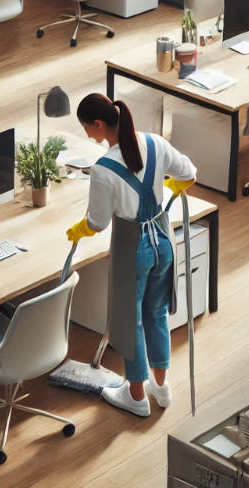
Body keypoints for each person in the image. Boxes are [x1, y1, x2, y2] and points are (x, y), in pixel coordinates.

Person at [66, 93, 196, 417]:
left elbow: (98, 221)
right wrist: (175, 187)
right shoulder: (154, 143)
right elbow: (189, 172)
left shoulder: (103, 168)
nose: (88, 135)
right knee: (156, 312)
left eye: (87, 128)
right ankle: (161, 388)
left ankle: (136, 396)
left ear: (98, 123)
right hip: (165, 241)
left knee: (130, 319)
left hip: (131, 247)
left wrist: (80, 229)